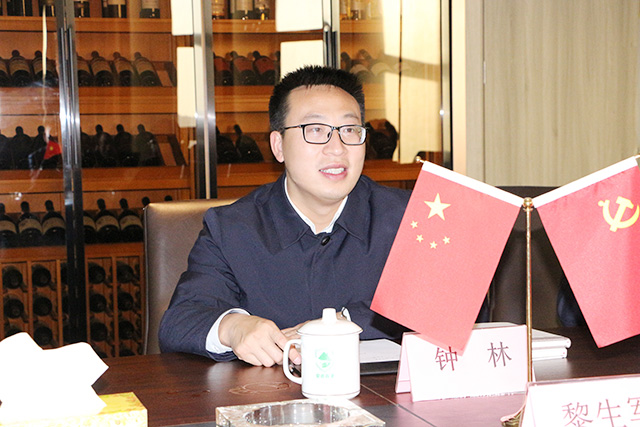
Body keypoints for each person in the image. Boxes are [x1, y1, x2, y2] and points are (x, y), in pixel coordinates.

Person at [158, 65, 410, 366]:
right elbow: (180, 321)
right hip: (269, 395)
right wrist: (233, 326)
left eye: (349, 130)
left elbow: (444, 302)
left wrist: (343, 322)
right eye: (315, 130)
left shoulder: (408, 218)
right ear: (278, 146)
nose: (337, 148)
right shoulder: (231, 228)